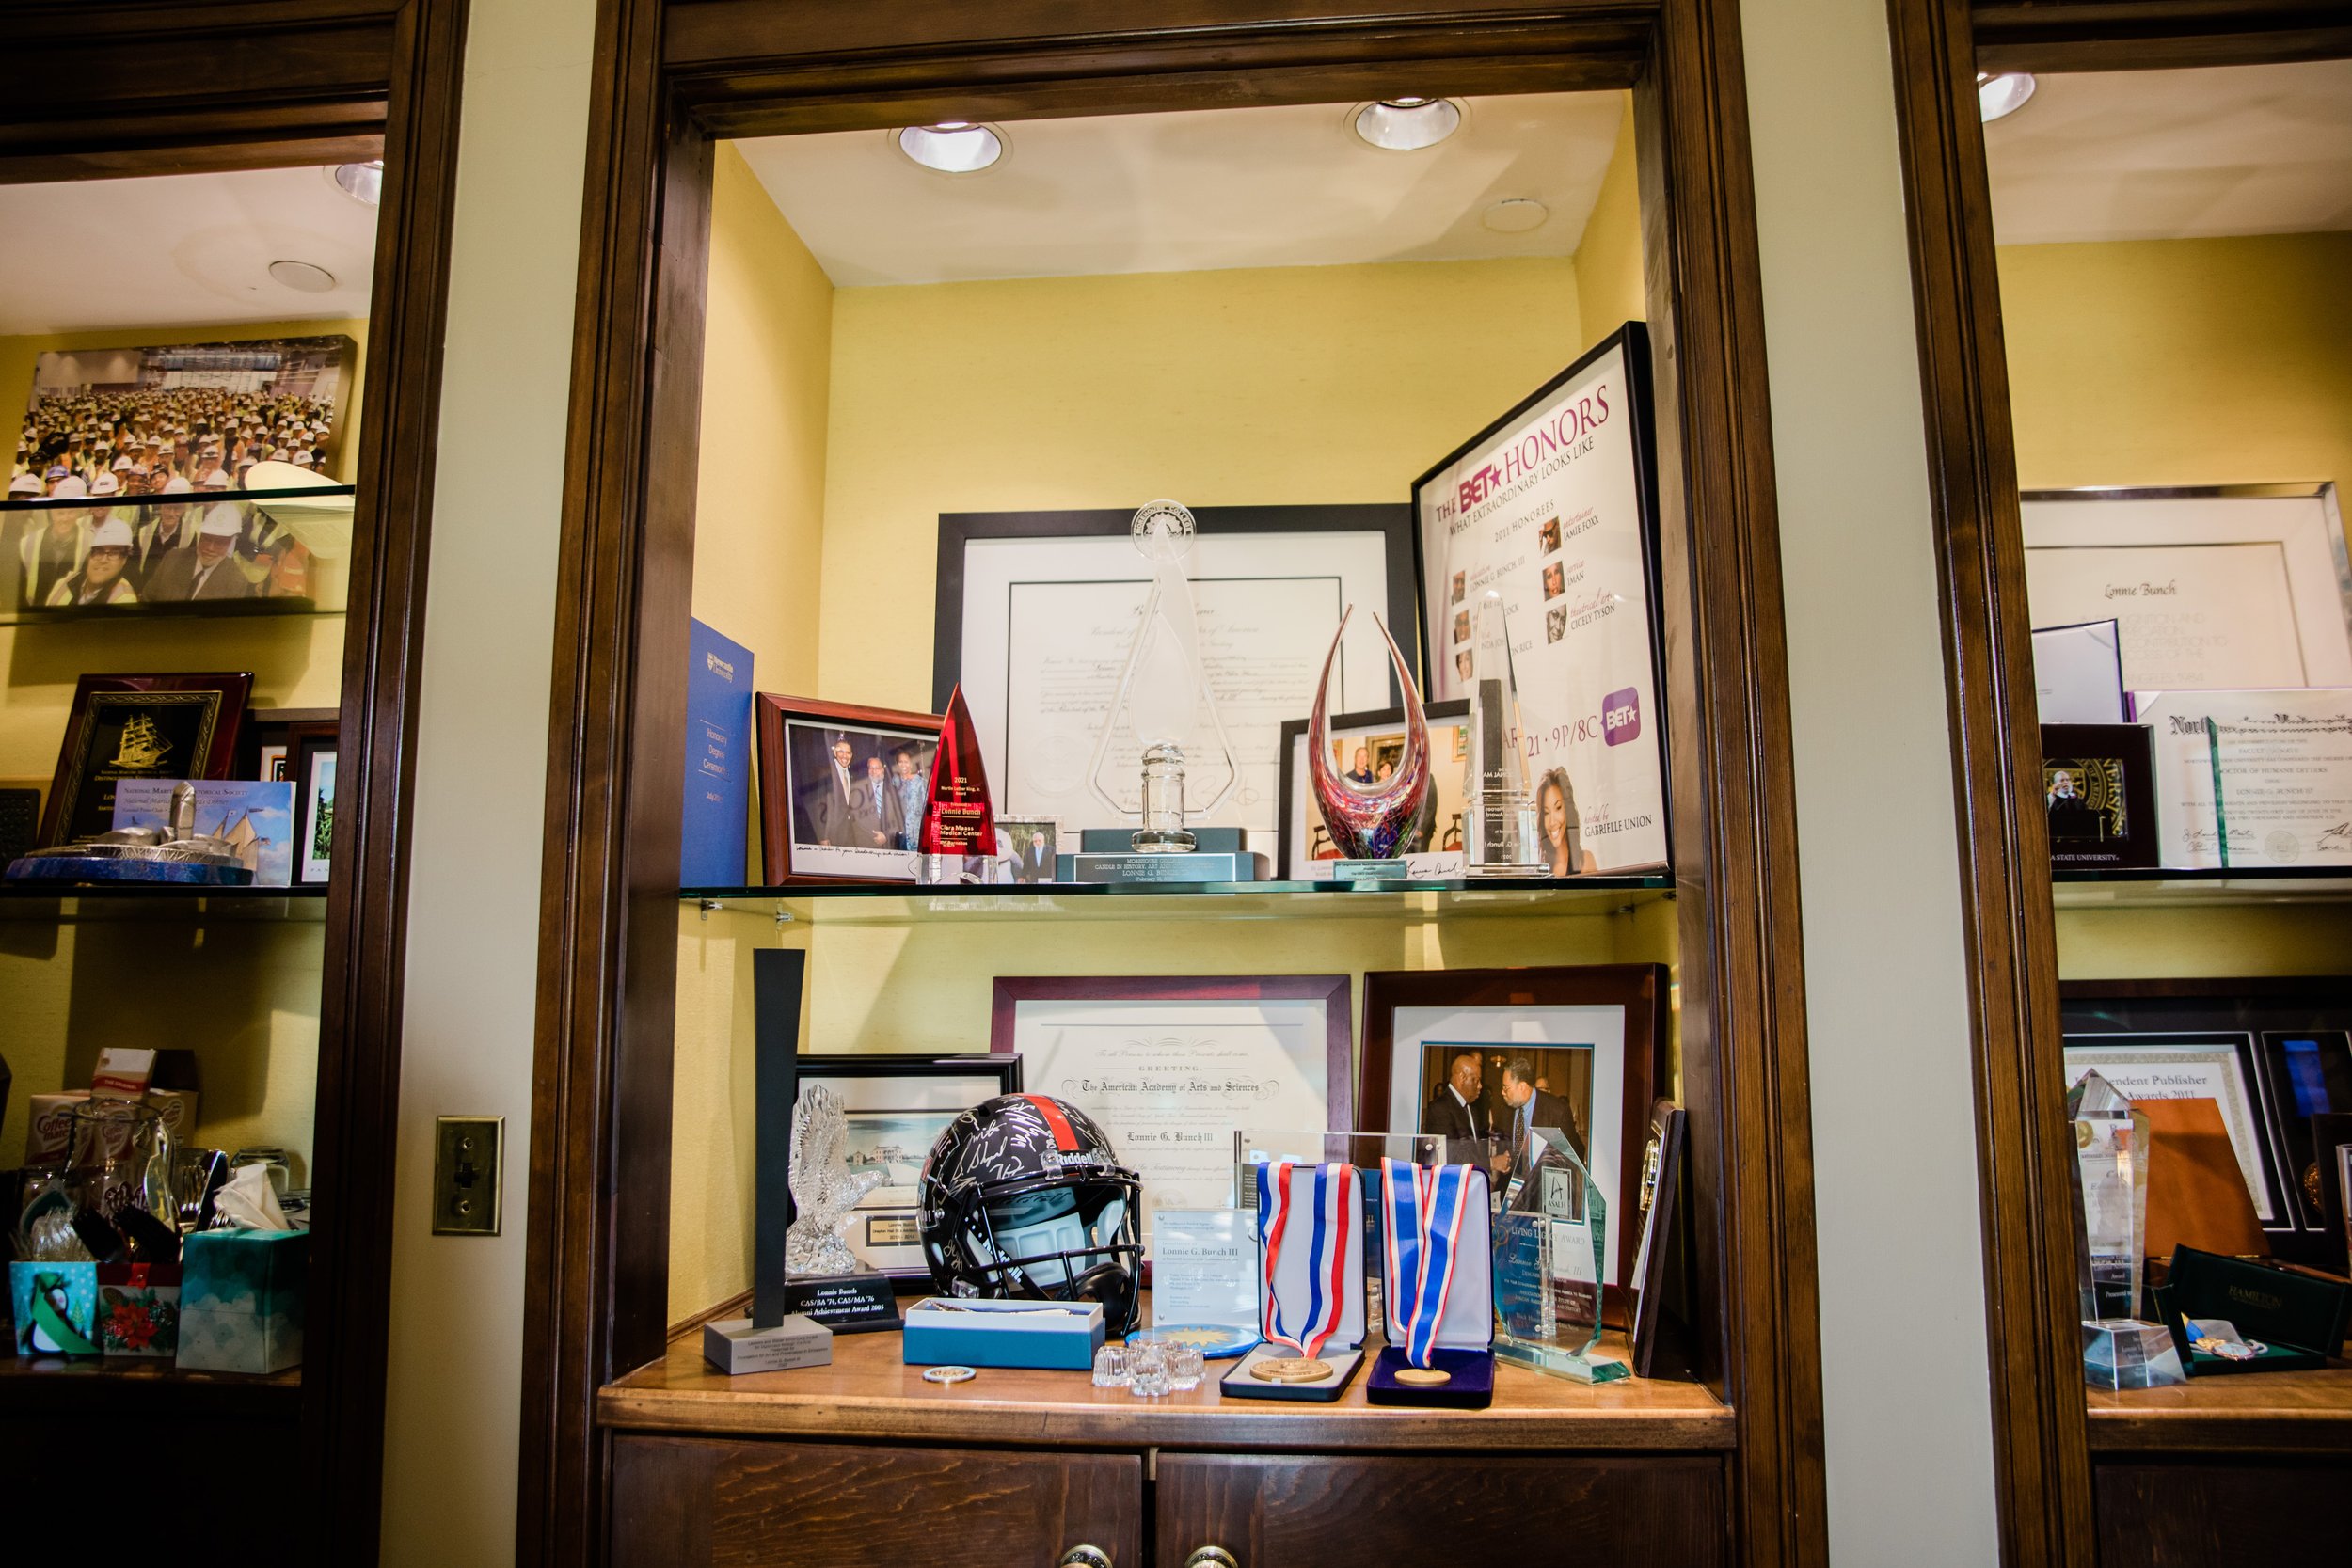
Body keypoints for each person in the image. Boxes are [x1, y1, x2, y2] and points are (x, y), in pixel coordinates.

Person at [144, 503, 251, 601]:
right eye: (207, 538)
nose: (210, 548)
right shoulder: (172, 559)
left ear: (231, 542)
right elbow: (147, 598)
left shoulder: (236, 581)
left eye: (220, 542)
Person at [1500, 1055, 1582, 1167]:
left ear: (1522, 1087)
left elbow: (1574, 1157)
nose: (1502, 1092)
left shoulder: (1557, 1111)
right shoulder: (1506, 1109)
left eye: (1506, 1088)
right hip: (1512, 1182)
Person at [46, 516, 137, 606]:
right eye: (99, 551)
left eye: (114, 553)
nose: (103, 560)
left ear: (124, 560)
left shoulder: (125, 599)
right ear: (90, 556)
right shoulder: (64, 583)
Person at [1537, 767, 1599, 876]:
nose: (1552, 822)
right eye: (1546, 812)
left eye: (1558, 807)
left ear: (1568, 809)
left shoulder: (1585, 861)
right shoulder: (1542, 870)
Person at [1422, 1049, 1491, 1143]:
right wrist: (1490, 1159)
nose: (1480, 1086)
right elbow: (1450, 1153)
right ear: (1462, 1078)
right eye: (1475, 1080)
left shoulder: (1472, 1108)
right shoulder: (1440, 1109)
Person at [849, 753, 901, 848]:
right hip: (868, 848)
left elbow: (902, 818)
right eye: (871, 768)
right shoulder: (858, 793)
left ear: (883, 770)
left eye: (876, 768)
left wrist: (886, 835)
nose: (873, 771)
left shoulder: (894, 789)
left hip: (892, 846)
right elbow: (856, 824)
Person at [890, 746, 929, 849]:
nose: (903, 765)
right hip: (901, 833)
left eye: (906, 762)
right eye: (901, 762)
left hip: (917, 832)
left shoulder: (920, 782)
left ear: (911, 764)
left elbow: (927, 806)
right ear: (897, 765)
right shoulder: (895, 782)